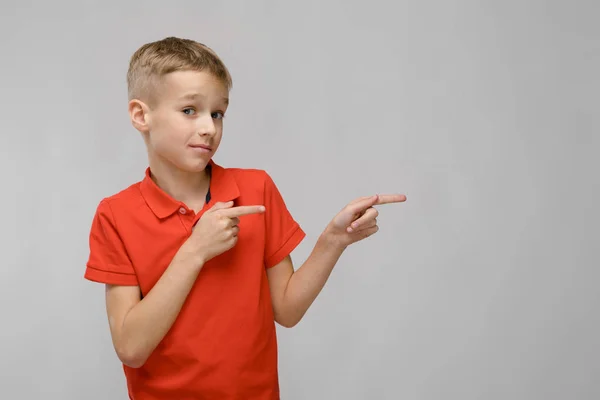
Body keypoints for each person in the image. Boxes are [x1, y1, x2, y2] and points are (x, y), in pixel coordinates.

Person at [84, 36, 406, 400]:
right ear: (142, 115)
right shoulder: (115, 214)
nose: (209, 127)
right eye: (190, 110)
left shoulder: (255, 189)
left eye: (217, 113)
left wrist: (333, 241)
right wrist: (195, 251)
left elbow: (286, 309)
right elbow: (131, 347)